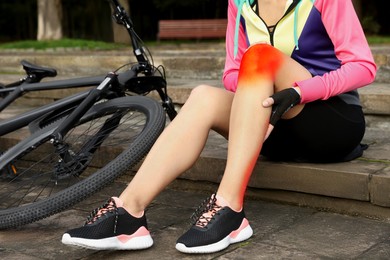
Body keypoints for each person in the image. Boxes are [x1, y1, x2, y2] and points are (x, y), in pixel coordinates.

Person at [61, 0, 376, 254]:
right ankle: (129, 213)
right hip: (271, 125)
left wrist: (297, 91)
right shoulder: (238, 3)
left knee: (261, 55)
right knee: (202, 97)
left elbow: (364, 66)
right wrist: (257, 96)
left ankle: (229, 208)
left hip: (329, 121)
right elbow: (231, 75)